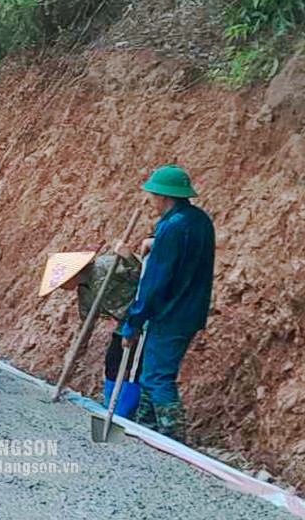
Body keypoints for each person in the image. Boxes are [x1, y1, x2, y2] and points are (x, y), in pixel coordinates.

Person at [120, 164, 215, 441]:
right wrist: (155, 241)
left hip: (170, 312)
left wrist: (133, 321)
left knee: (158, 376)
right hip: (190, 310)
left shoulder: (172, 228)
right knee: (151, 372)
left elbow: (155, 280)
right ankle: (146, 428)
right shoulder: (199, 221)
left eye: (153, 196)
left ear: (164, 197)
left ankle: (173, 438)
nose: (152, 201)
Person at [39, 245, 144, 417]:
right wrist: (72, 361)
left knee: (134, 367)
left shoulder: (104, 266)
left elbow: (142, 274)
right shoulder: (85, 292)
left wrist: (128, 256)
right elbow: (86, 325)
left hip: (143, 316)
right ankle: (112, 406)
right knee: (113, 362)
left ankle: (124, 413)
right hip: (125, 322)